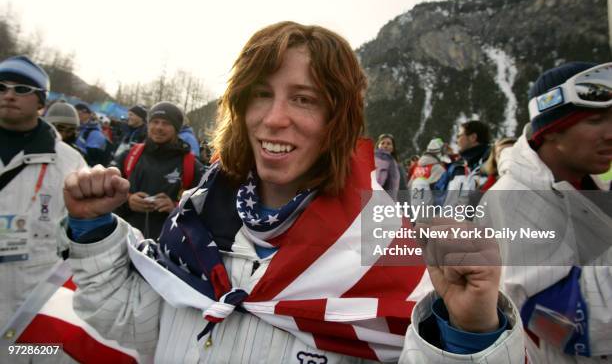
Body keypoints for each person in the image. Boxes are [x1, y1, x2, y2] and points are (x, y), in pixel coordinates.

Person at [61, 22, 523, 363]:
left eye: (303, 99)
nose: (274, 118)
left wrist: (470, 333)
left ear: (337, 120)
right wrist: (91, 229)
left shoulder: (387, 246)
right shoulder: (196, 219)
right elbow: (140, 330)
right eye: (260, 94)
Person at [482, 62, 612, 362]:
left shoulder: (591, 183)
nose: (610, 133)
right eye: (595, 120)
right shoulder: (513, 197)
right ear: (551, 132)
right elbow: (558, 320)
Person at [0, 56, 86, 361]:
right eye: (1, 87)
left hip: (36, 302)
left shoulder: (69, 161)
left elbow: (85, 232)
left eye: (21, 88)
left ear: (41, 101)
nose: (8, 95)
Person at [113, 101, 205, 240]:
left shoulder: (193, 166)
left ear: (176, 128)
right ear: (148, 124)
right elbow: (107, 194)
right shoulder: (129, 155)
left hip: (168, 247)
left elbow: (203, 209)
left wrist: (175, 208)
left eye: (166, 123)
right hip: (125, 240)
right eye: (155, 122)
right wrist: (128, 201)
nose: (159, 127)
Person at [435, 120, 491, 206]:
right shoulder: (457, 167)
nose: (457, 141)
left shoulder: (492, 167)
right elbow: (438, 196)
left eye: (459, 136)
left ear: (473, 137)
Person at [74, 102, 110, 166]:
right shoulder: (77, 127)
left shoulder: (95, 133)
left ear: (88, 114)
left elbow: (91, 157)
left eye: (79, 113)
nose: (76, 115)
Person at [374, 133, 403, 200]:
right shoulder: (375, 159)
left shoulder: (395, 163)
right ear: (378, 145)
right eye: (382, 143)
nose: (385, 146)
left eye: (388, 144)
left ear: (393, 148)